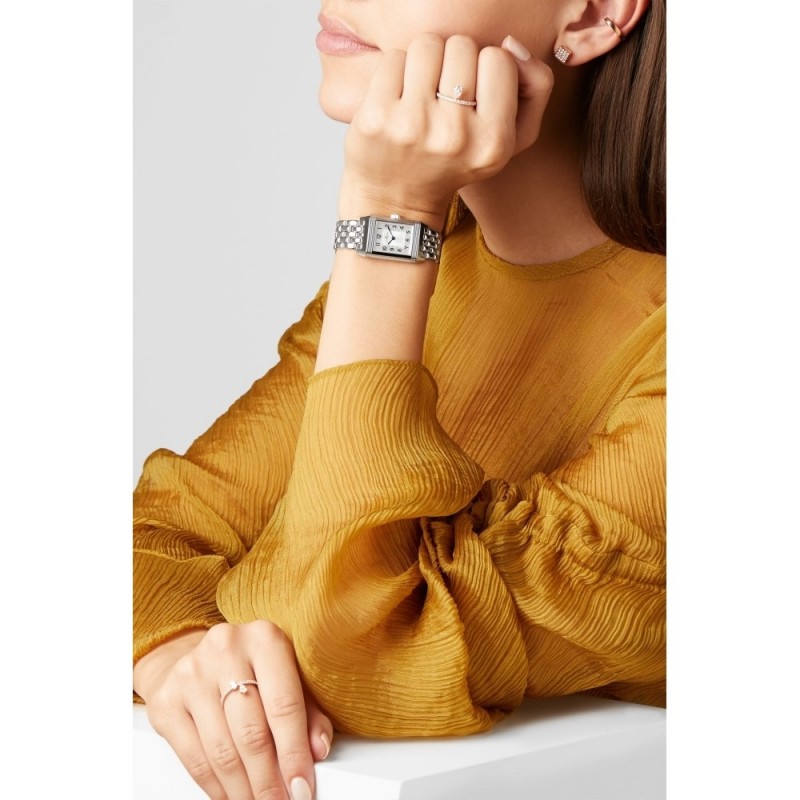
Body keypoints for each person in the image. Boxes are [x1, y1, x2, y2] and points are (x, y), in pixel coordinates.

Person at [133, 0, 666, 797]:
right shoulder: (427, 274)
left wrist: (391, 212)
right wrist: (178, 657)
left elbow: (364, 649)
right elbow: (144, 539)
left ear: (595, 13)